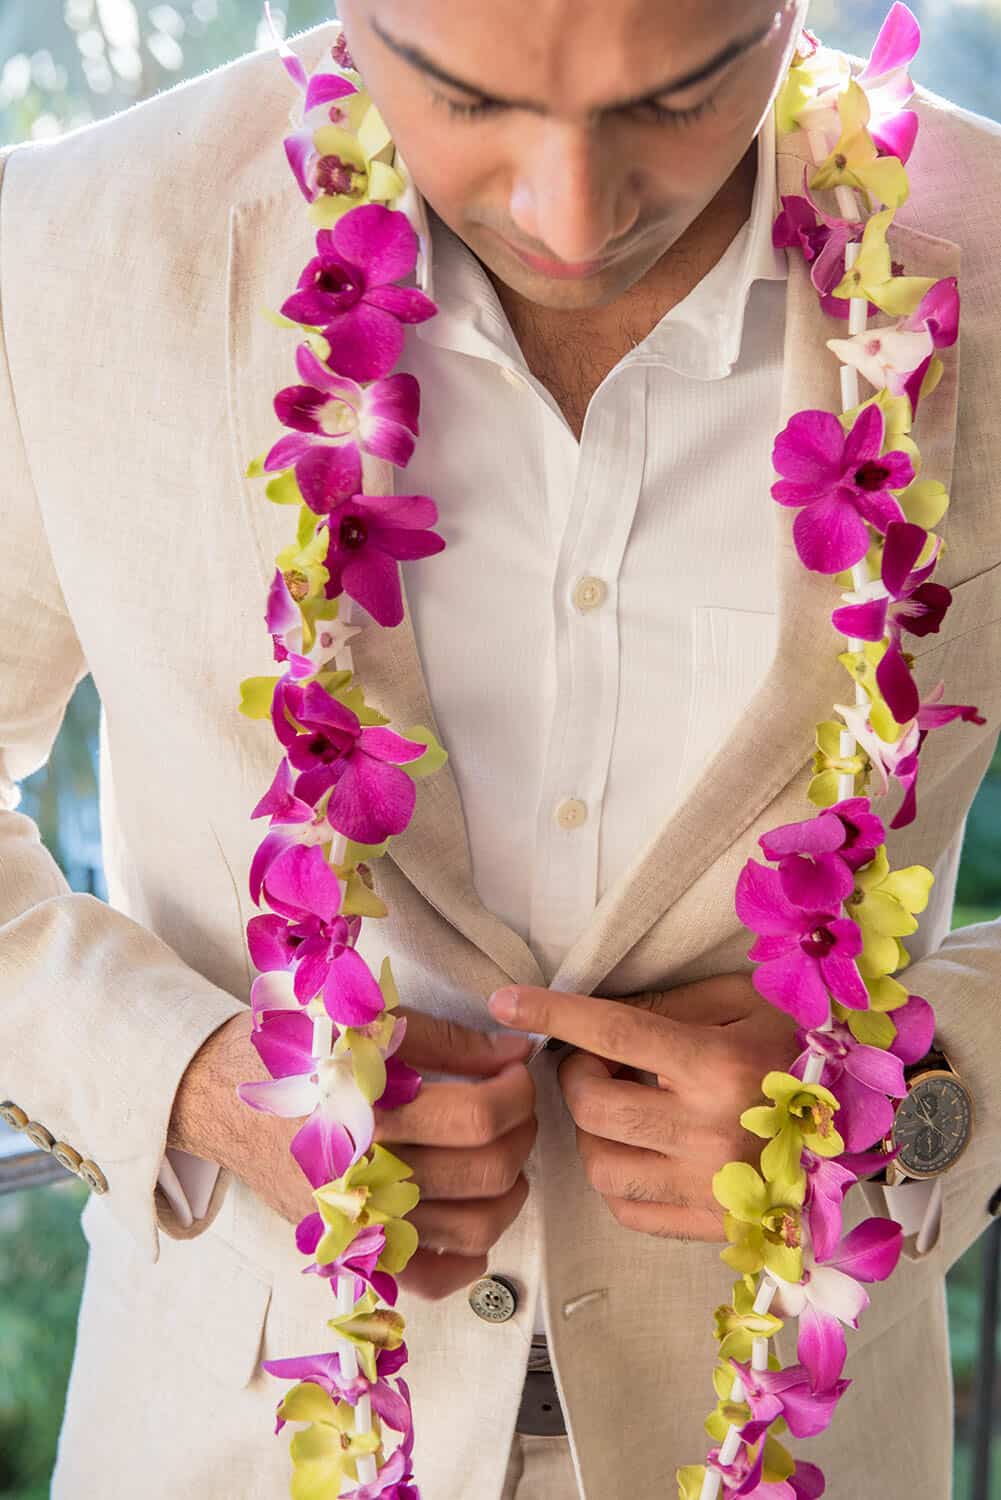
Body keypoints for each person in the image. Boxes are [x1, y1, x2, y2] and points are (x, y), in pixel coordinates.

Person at [1, 2, 1000, 1496]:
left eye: (674, 99)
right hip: (226, 1442)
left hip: (809, 1430)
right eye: (468, 98)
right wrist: (187, 1080)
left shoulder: (984, 261)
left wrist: (925, 1087)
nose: (570, 214)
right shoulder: (69, 250)